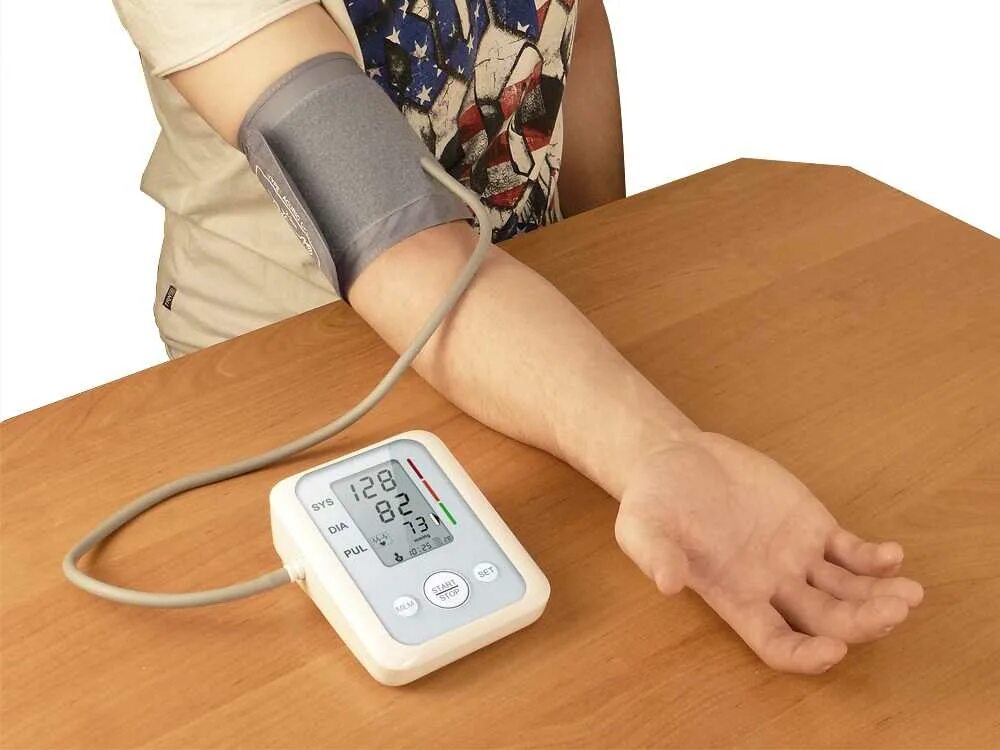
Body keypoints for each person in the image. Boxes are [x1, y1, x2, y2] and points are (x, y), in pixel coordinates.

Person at [112, 0, 923, 674]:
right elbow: (388, 227)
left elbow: (573, 28)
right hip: (289, 370)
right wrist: (658, 447)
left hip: (528, 337)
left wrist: (605, 251)